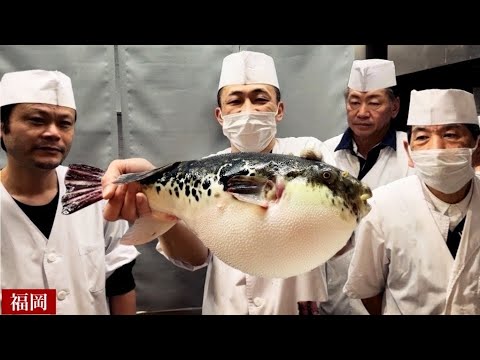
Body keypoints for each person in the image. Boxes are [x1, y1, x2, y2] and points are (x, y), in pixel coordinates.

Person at [101, 50, 338, 315]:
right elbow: (195, 257)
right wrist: (161, 202)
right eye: (235, 102)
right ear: (220, 115)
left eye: (260, 99)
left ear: (279, 110)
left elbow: (337, 235)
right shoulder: (204, 171)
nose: (247, 110)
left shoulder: (308, 155)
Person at [0, 69, 140, 315]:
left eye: (64, 123)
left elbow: (120, 282)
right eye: (36, 120)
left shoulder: (95, 194)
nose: (53, 133)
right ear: (3, 128)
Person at [344, 88, 480, 315]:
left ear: (477, 149)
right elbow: (368, 291)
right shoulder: (383, 206)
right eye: (423, 137)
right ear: (409, 152)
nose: (436, 149)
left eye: (451, 135)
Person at [320, 59, 415, 315]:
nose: (362, 112)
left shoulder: (412, 154)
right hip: (332, 300)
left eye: (374, 102)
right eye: (354, 101)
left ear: (394, 107)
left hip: (391, 298)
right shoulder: (325, 154)